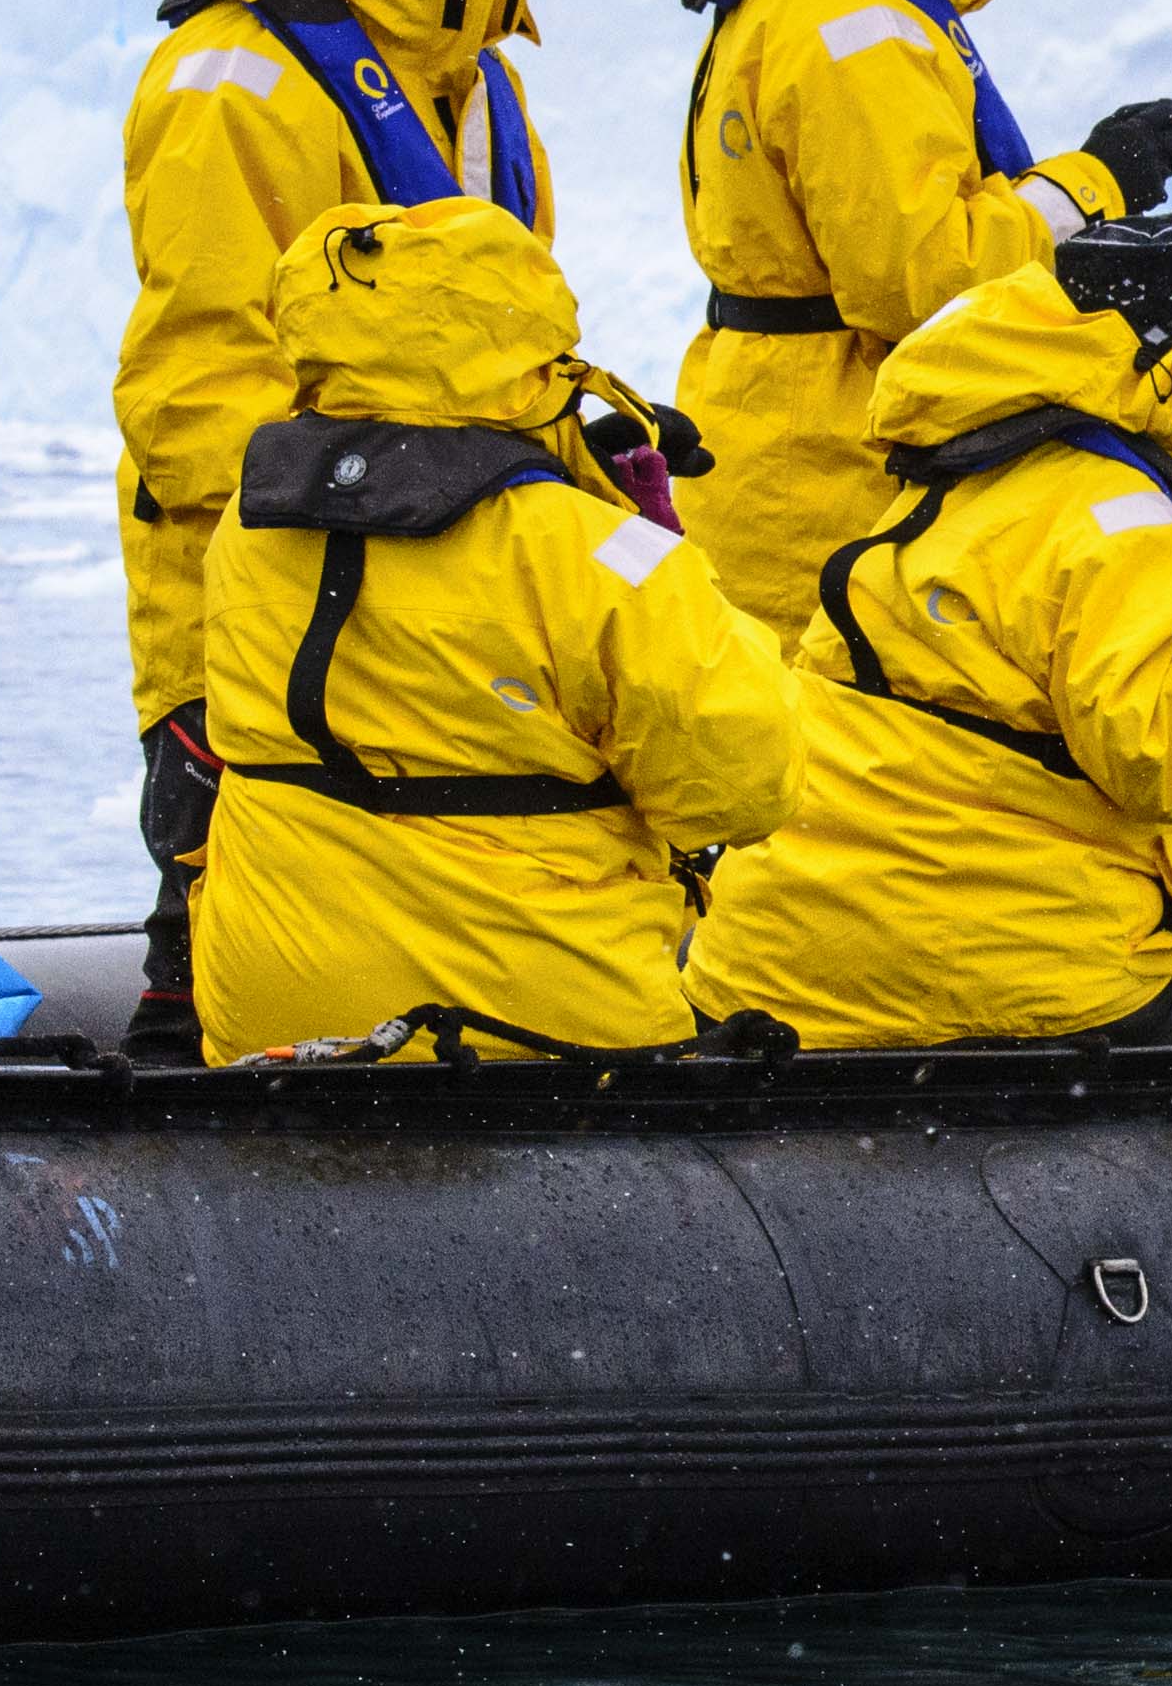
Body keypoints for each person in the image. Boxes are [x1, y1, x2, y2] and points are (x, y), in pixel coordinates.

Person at [113, 0, 549, 1062]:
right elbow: (201, 394)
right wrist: (371, 509)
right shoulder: (230, 82)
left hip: (450, 588)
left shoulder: (475, 72)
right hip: (276, 599)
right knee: (232, 928)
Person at [687, 216, 1172, 1048]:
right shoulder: (1116, 515)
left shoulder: (980, 469)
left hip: (782, 964)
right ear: (1168, 375)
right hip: (995, 985)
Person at [642, 0, 1172, 638]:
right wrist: (1094, 183)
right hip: (827, 474)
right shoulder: (853, 24)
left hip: (798, 444)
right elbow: (925, 281)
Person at [188, 198, 793, 1063]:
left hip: (275, 1021)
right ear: (533, 351)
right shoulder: (600, 555)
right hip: (540, 1029)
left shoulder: (250, 529)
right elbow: (740, 788)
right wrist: (651, 547)